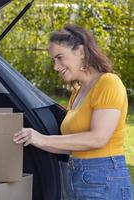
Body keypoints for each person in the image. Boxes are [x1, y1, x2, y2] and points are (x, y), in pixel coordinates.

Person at [13, 24, 133, 199]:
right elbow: (70, 144)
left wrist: (43, 139)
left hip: (105, 178)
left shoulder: (108, 83)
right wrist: (31, 139)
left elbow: (98, 138)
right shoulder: (78, 92)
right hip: (77, 177)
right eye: (53, 60)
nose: (56, 66)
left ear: (81, 52)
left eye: (60, 57)